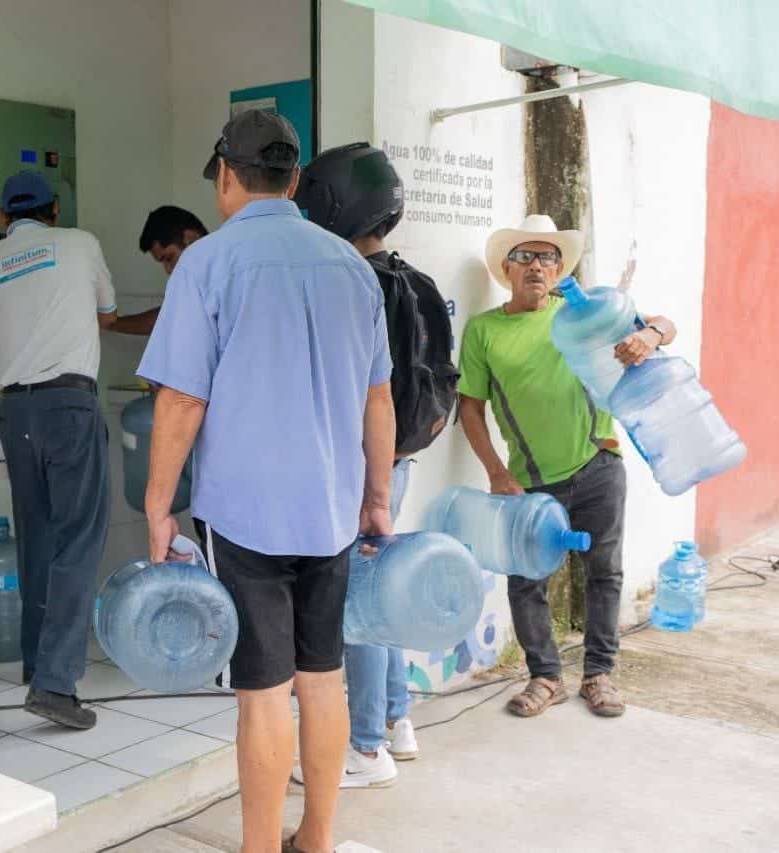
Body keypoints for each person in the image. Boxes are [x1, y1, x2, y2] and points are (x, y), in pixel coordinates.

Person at [139, 110, 396, 853]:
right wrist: (376, 497)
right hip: (331, 510)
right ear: (292, 179)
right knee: (322, 679)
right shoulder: (351, 265)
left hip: (245, 514)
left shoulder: (209, 263)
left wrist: (159, 506)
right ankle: (314, 839)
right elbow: (379, 397)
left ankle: (258, 848)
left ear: (226, 174)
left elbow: (182, 400)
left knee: (262, 694)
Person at [457, 214, 677, 719]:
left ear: (560, 269)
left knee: (605, 573)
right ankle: (545, 677)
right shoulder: (485, 331)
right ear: (507, 269)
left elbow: (664, 324)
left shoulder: (586, 312)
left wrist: (652, 337)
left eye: (548, 257)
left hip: (598, 464)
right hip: (529, 480)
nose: (537, 266)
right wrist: (494, 470)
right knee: (526, 579)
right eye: (525, 257)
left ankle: (599, 675)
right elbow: (469, 406)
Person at [292, 142, 455, 788]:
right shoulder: (413, 277)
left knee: (353, 610)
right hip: (401, 459)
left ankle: (363, 749)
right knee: (378, 597)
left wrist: (368, 487)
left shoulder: (348, 285)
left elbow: (366, 394)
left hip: (363, 468)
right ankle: (396, 719)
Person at [0, 170, 117, 730]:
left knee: (37, 539)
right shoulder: (79, 244)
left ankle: (38, 666)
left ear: (5, 217)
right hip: (68, 407)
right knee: (79, 541)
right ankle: (55, 684)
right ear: (55, 207)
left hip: (16, 413)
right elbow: (105, 307)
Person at [110, 206, 209, 335]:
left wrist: (112, 323)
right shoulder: (197, 284)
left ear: (190, 238)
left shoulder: (226, 274)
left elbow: (169, 319)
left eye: (169, 258)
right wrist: (112, 324)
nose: (168, 270)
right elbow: (169, 316)